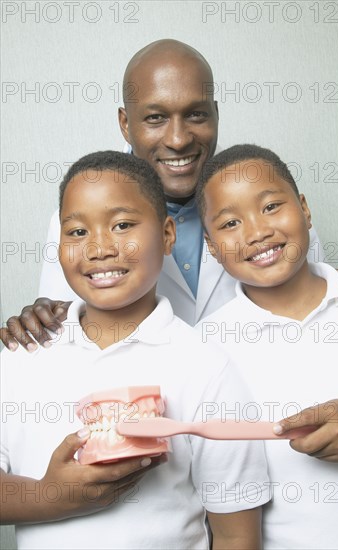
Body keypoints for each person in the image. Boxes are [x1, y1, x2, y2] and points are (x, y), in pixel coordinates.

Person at [1, 39, 338, 351]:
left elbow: (311, 303)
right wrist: (41, 320)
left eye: (195, 115)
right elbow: (67, 328)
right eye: (156, 118)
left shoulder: (269, 206)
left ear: (216, 115)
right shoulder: (80, 218)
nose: (178, 140)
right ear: (126, 124)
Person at [0, 151, 271, 550]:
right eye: (76, 232)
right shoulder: (20, 355)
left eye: (122, 225)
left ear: (166, 235)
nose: (99, 248)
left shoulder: (205, 366)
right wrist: (51, 497)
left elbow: (236, 535)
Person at [195, 144, 338, 549]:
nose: (257, 232)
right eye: (231, 222)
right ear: (211, 245)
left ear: (304, 208)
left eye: (271, 206)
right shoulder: (204, 348)